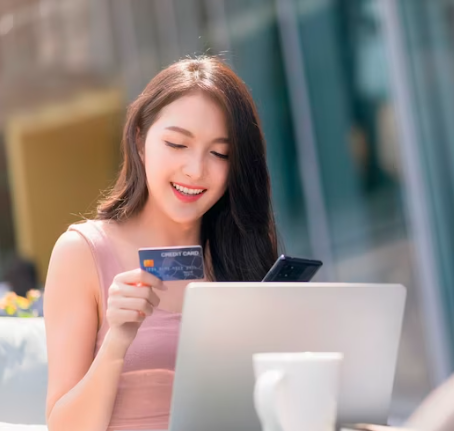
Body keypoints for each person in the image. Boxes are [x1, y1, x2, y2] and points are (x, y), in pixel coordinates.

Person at [43, 56, 278, 431]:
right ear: (139, 140)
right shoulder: (82, 254)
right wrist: (118, 340)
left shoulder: (241, 256)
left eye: (220, 153)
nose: (196, 169)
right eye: (177, 144)